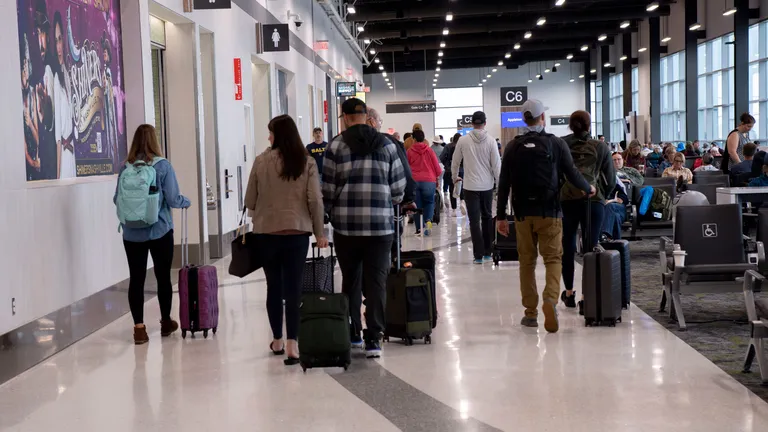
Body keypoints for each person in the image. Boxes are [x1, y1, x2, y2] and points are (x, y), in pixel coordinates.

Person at [496, 100, 594, 333]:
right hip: (550, 212)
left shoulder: (512, 146)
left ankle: (530, 313)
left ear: (524, 120)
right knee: (553, 259)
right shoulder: (556, 144)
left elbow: (503, 184)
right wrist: (588, 187)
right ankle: (550, 300)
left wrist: (500, 216)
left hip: (521, 215)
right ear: (543, 118)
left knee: (526, 262)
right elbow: (572, 174)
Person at [322, 98, 406, 358]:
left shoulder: (336, 145)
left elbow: (327, 190)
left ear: (345, 117)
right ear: (365, 116)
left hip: (347, 228)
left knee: (351, 280)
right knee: (377, 282)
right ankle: (375, 339)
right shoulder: (388, 145)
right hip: (381, 227)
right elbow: (399, 189)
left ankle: (354, 333)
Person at [245, 115, 326, 365]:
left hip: (267, 234)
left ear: (278, 135)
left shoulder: (260, 162)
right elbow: (315, 200)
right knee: (294, 288)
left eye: (270, 133)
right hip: (297, 234)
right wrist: (319, 232)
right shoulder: (307, 162)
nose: (268, 137)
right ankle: (293, 344)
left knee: (274, 287)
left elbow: (249, 200)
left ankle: (277, 340)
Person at [115, 124, 190, 345]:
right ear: (154, 141)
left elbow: (116, 199)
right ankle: (166, 321)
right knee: (163, 277)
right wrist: (187, 202)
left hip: (131, 234)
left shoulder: (125, 167)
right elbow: (174, 199)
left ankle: (139, 328)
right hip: (160, 231)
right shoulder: (163, 166)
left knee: (136, 279)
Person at [560, 110, 615, 310]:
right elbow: (611, 178)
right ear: (589, 125)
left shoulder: (562, 144)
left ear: (570, 125)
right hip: (594, 200)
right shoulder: (600, 147)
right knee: (590, 249)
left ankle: (568, 293)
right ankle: (587, 297)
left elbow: (557, 174)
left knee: (567, 247)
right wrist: (602, 195)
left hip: (567, 200)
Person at [452, 111, 501, 264]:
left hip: (470, 186)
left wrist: (455, 177)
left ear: (472, 123)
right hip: (487, 186)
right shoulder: (492, 141)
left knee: (474, 220)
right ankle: (488, 252)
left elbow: (455, 161)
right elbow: (496, 166)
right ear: (485, 123)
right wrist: (500, 186)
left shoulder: (463, 140)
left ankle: (478, 256)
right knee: (487, 217)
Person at [366, 107, 416, 257]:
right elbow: (404, 174)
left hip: (350, 223)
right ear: (372, 122)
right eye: (380, 121)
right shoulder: (390, 142)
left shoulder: (339, 143)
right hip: (386, 212)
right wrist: (407, 199)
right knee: (391, 254)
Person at [33, 0, 57, 180]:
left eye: (43, 32)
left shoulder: (52, 71)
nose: (41, 41)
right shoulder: (38, 76)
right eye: (38, 31)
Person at [52, 12, 75, 179]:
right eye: (55, 41)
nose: (58, 47)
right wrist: (58, 177)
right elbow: (58, 136)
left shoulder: (67, 75)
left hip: (72, 153)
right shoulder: (55, 79)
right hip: (64, 156)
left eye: (60, 40)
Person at [408, 130, 442, 236]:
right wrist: (436, 177)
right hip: (429, 181)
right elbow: (438, 168)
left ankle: (419, 229)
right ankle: (428, 221)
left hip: (415, 181)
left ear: (413, 139)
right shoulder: (429, 150)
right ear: (423, 138)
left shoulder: (409, 151)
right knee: (430, 202)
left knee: (417, 206)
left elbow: (406, 168)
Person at [602, 158, 631, 241]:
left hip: (619, 208)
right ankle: (616, 243)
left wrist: (616, 199)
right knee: (615, 217)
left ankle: (605, 234)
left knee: (610, 206)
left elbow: (625, 198)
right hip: (609, 213)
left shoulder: (613, 181)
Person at [441, 133, 465, 216]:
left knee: (452, 188)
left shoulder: (448, 146)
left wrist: (447, 166)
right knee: (462, 186)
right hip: (462, 170)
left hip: (450, 171)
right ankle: (462, 201)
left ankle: (454, 209)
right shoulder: (463, 147)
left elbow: (442, 157)